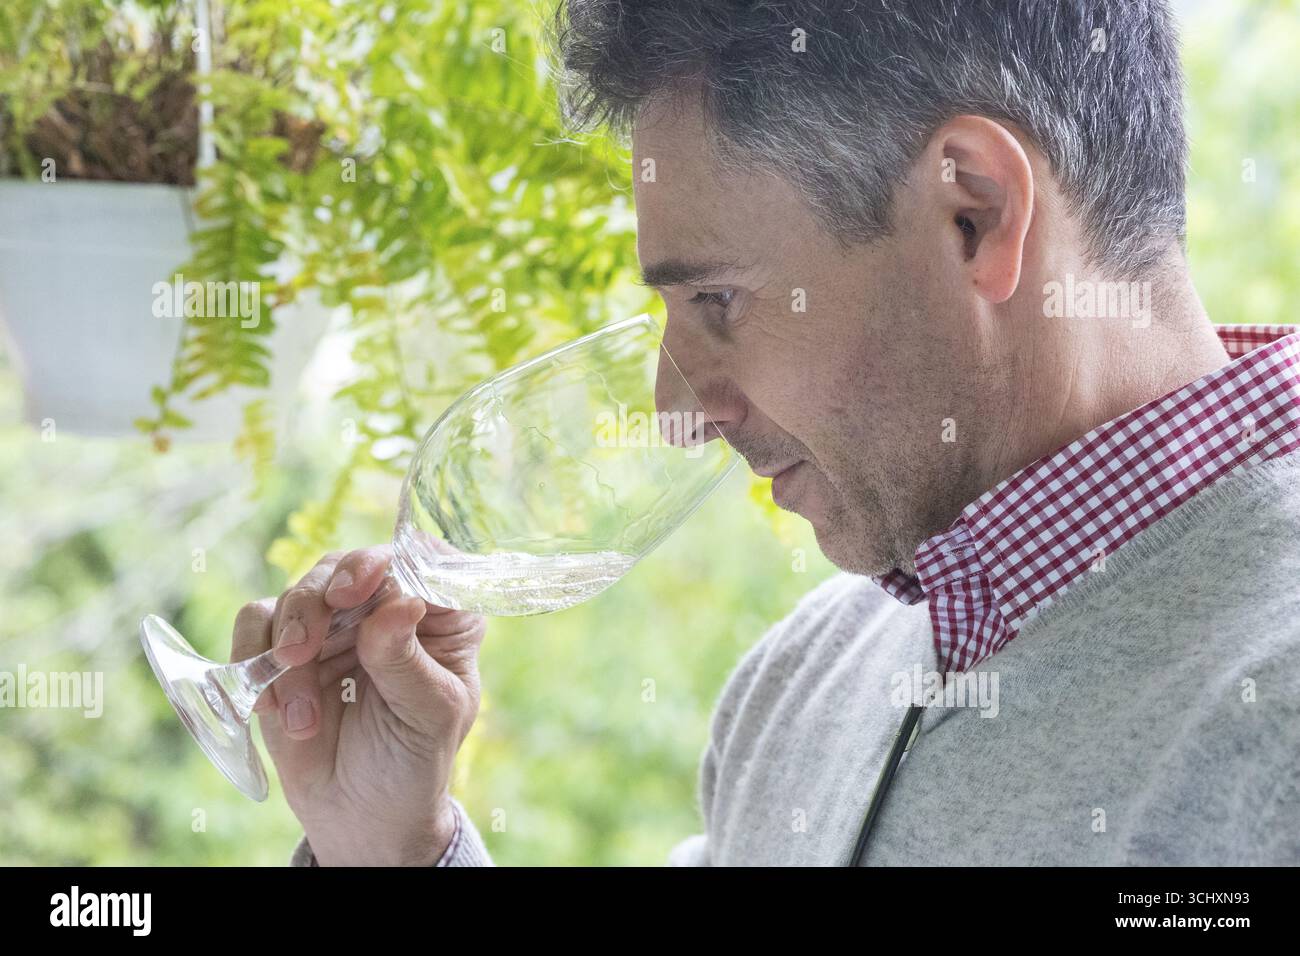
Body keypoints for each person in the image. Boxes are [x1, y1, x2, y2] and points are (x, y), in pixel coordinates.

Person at [238, 0, 1299, 866]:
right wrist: (394, 850)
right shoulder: (800, 685)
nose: (676, 412)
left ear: (972, 212)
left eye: (718, 303)